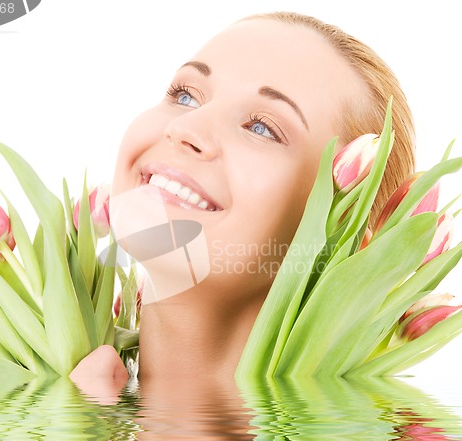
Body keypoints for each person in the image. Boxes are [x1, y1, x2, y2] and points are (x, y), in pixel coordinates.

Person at [70, 11, 415, 389]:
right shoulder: (40, 399)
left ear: (346, 247)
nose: (185, 128)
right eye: (185, 96)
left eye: (262, 128)